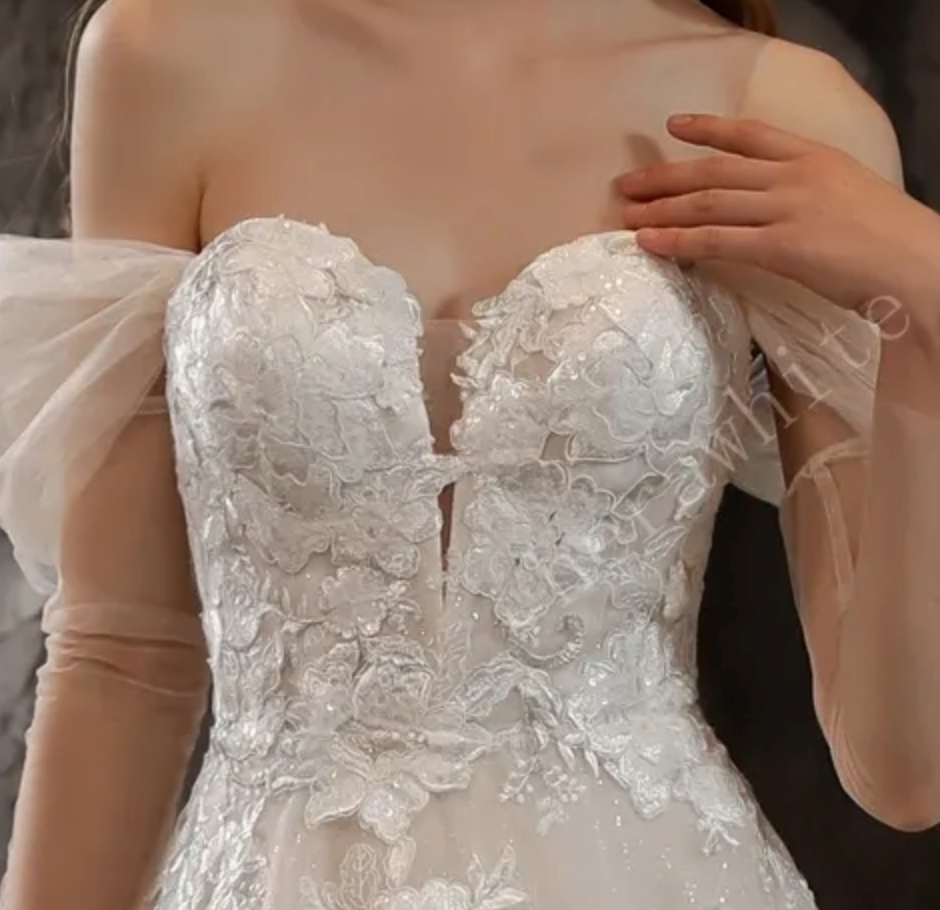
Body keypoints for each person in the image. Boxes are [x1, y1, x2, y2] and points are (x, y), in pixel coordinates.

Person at [1, 0, 939, 907]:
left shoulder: (780, 112)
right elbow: (123, 659)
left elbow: (905, 771)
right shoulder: (166, 52)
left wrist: (927, 288)